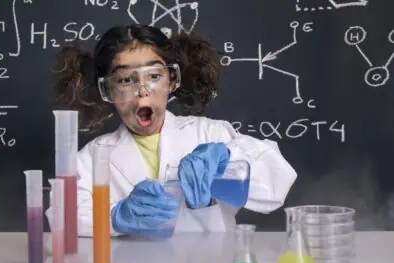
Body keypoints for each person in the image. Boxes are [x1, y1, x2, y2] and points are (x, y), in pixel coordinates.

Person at [47, 24, 297, 237]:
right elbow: (60, 217)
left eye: (154, 75)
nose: (143, 90)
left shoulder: (210, 135)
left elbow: (278, 182)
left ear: (172, 81)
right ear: (108, 91)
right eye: (125, 79)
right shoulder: (91, 159)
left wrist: (229, 163)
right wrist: (114, 217)